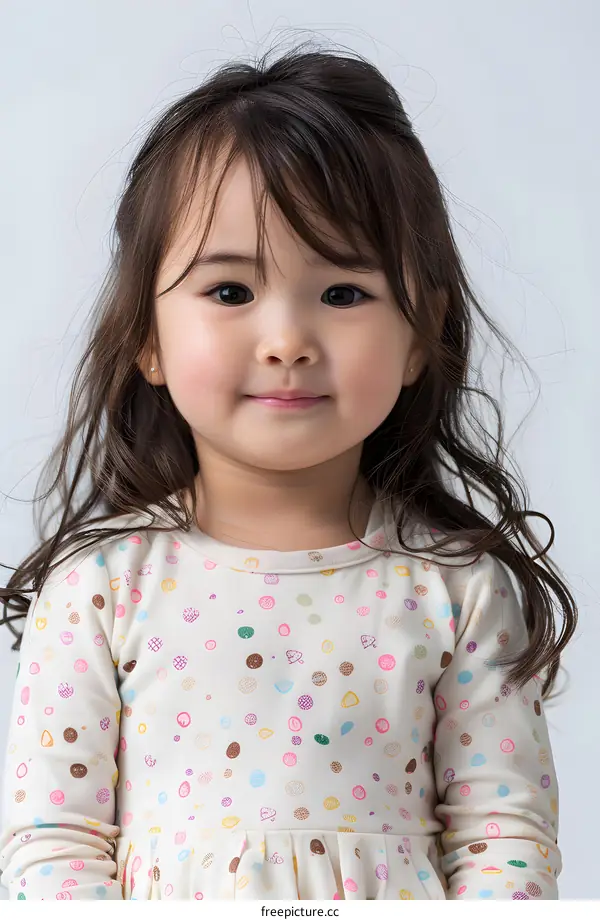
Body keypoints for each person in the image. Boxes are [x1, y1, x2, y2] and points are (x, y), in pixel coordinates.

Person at [0, 41, 577, 901]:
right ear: (146, 338)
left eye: (343, 293)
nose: (287, 341)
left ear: (421, 335)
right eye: (230, 292)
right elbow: (54, 845)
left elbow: (506, 843)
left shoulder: (458, 590)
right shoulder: (99, 586)